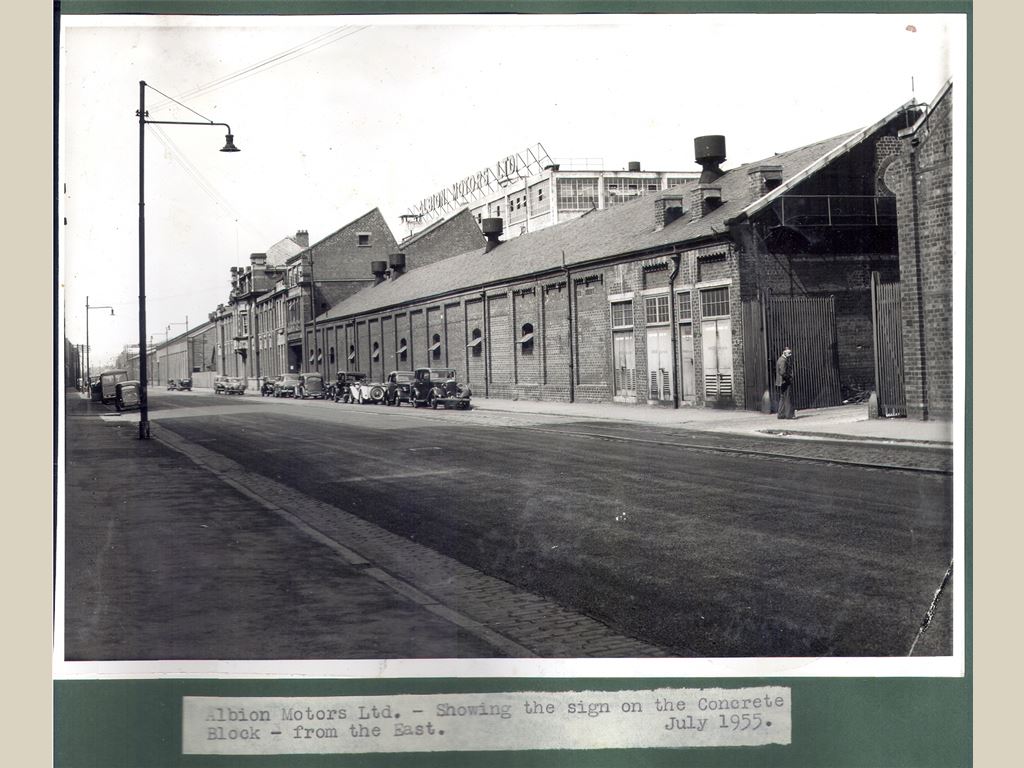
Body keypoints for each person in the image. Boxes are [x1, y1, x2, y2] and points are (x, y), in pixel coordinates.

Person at [775, 346, 795, 419]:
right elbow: (782, 372)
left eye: (790, 353)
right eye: (788, 353)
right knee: (788, 398)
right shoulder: (783, 360)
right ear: (784, 353)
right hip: (785, 382)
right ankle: (788, 415)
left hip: (781, 382)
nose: (790, 354)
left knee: (782, 398)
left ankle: (780, 414)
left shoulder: (780, 359)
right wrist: (789, 377)